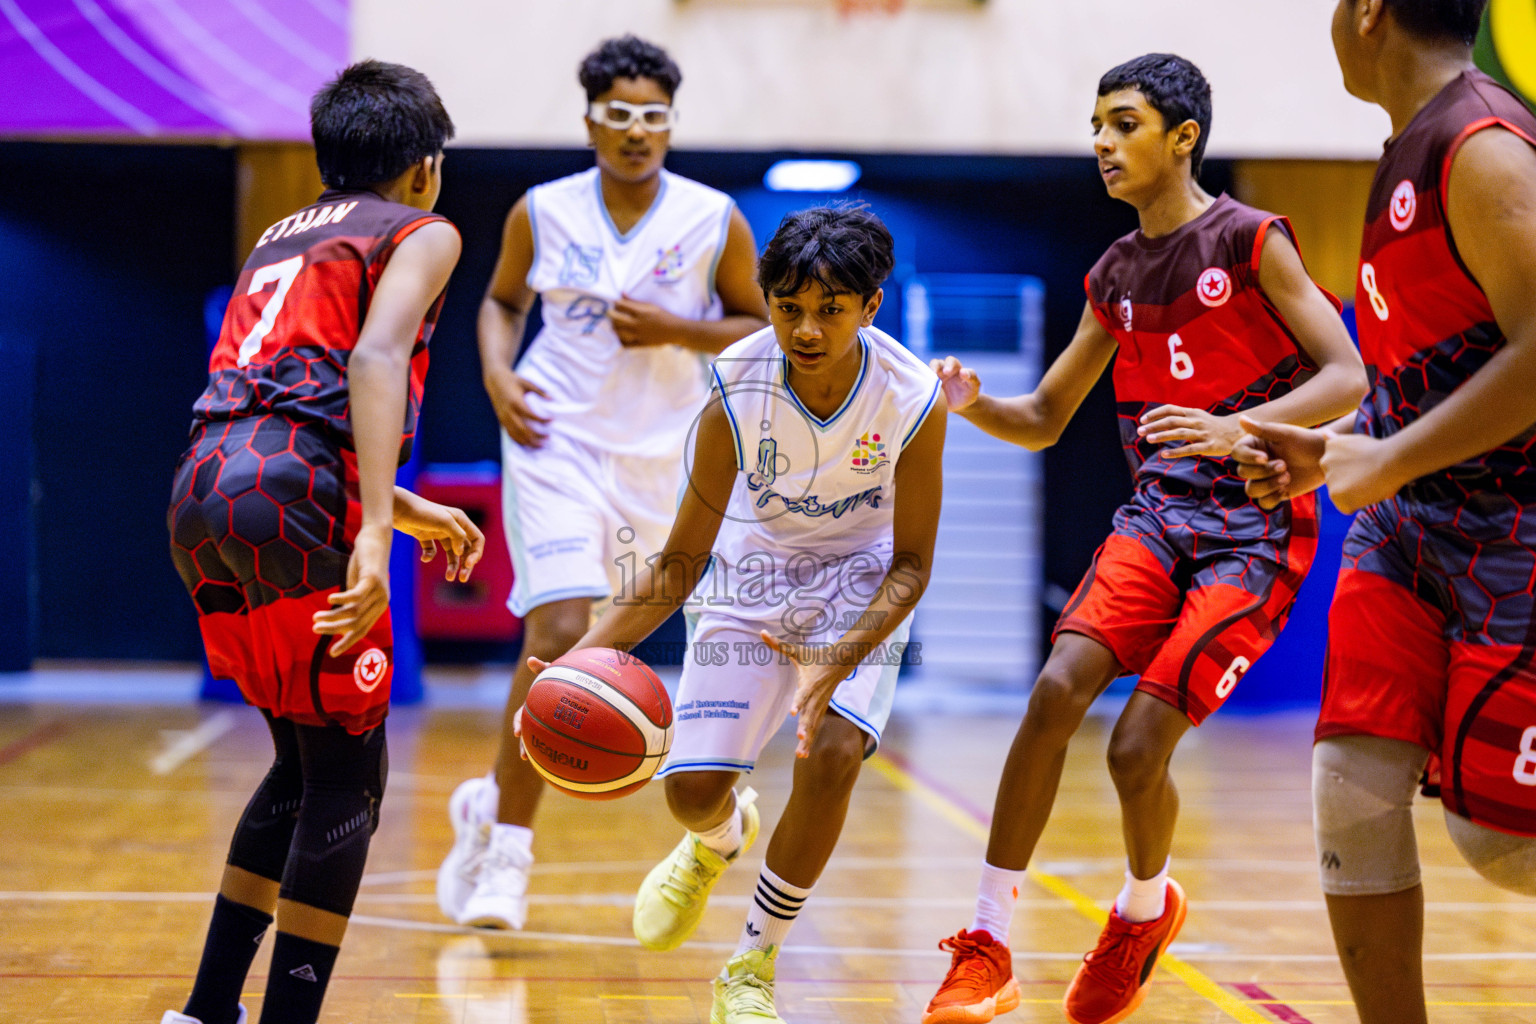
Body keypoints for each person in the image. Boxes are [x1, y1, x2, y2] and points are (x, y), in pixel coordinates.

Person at [921, 54, 1369, 1024]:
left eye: (1122, 124)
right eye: (1095, 125)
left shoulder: (1251, 242)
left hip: (1252, 538)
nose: (1102, 144)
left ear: (1182, 138)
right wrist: (974, 403)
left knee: (1135, 748)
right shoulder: (1114, 274)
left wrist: (1239, 427)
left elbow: (1346, 375)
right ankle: (988, 942)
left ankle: (1140, 910)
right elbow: (1044, 414)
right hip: (1158, 522)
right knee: (1054, 691)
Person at [513, 203, 945, 1023]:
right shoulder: (734, 384)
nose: (806, 328)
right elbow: (678, 563)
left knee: (834, 752)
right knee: (691, 792)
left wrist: (834, 662)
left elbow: (912, 564)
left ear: (871, 307)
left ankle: (750, 965)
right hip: (752, 569)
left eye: (830, 310)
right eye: (788, 308)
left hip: (862, 576)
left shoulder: (912, 396)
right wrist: (574, 665)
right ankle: (716, 839)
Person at [1232, 3, 1536, 1022]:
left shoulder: (1481, 145)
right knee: (1351, 787)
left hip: (1516, 535)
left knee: (1503, 843)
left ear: (1368, 12)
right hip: (1409, 533)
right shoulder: (1407, 146)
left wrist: (1391, 457)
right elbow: (1435, 375)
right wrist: (1334, 453)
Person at [162, 61, 484, 1024]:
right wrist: (378, 528)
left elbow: (280, 392)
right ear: (425, 167)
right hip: (297, 490)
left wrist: (397, 501)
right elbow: (373, 356)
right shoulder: (423, 229)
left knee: (301, 766)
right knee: (349, 772)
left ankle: (207, 1010)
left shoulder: (277, 237)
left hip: (206, 488)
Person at [437, 34, 769, 930]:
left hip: (666, 459)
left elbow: (755, 324)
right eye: (619, 115)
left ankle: (488, 804)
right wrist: (500, 377)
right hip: (555, 439)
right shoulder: (542, 211)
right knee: (559, 628)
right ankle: (507, 851)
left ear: (670, 123)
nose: (636, 131)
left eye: (653, 116)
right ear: (590, 120)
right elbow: (502, 302)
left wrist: (673, 328)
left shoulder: (712, 218)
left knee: (670, 640)